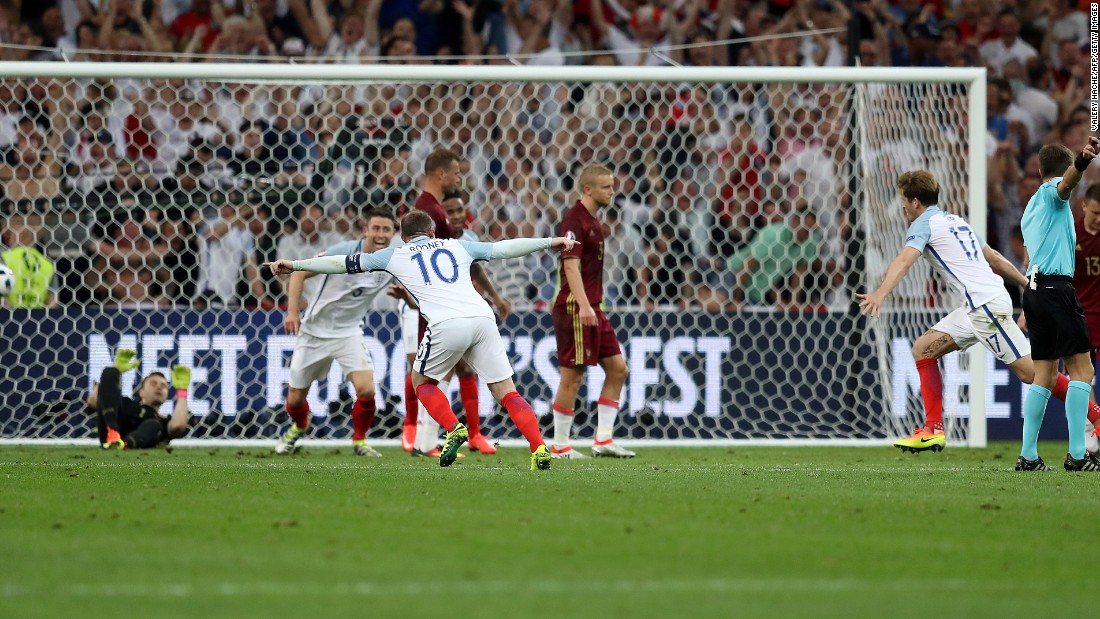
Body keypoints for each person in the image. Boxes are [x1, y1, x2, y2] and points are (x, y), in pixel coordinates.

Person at [266, 211, 572, 470]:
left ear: (402, 235)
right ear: (432, 231)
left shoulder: (394, 256)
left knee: (421, 382)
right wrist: (551, 242)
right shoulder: (457, 246)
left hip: (447, 325)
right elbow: (504, 248)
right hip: (482, 317)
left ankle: (454, 428)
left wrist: (295, 264)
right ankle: (538, 447)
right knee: (506, 391)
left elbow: (339, 264)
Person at [857, 170, 1100, 456]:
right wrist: (1025, 284)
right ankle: (932, 430)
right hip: (976, 307)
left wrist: (880, 293)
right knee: (923, 349)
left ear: (913, 202)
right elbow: (995, 257)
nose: (902, 206)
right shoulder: (956, 222)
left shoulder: (922, 224)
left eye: (903, 201)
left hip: (985, 308)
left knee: (1035, 374)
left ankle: (1096, 417)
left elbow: (904, 260)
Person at [400, 149, 509, 454]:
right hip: (440, 305)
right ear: (441, 174)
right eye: (457, 173)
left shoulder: (432, 208)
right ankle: (424, 440)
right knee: (434, 372)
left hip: (446, 303)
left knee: (450, 370)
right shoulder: (429, 211)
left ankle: (439, 439)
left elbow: (465, 261)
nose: (460, 178)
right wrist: (414, 300)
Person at [274, 208, 399, 457]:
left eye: (386, 229)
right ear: (365, 230)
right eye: (376, 228)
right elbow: (299, 273)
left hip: (348, 333)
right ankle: (299, 426)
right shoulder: (342, 251)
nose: (381, 234)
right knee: (296, 401)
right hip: (314, 332)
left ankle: (359, 441)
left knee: (367, 390)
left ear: (393, 233)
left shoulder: (393, 261)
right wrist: (292, 313)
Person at [1018, 138, 1100, 472]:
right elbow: (1066, 185)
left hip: (1033, 291)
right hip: (1056, 288)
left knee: (1046, 375)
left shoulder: (1029, 209)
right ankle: (1079, 455)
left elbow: (1027, 254)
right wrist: (1082, 161)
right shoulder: (1054, 195)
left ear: (1039, 169)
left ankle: (1028, 455)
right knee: (1084, 370)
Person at [550, 164, 633, 460]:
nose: (612, 191)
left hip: (593, 307)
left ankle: (604, 440)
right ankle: (559, 446)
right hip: (576, 307)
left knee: (618, 369)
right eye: (607, 187)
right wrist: (584, 305)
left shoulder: (594, 221)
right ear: (588, 189)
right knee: (572, 376)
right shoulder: (575, 220)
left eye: (612, 185)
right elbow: (570, 265)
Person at [86, 349, 191, 450]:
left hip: (132, 444)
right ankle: (112, 432)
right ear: (141, 392)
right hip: (109, 434)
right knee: (109, 372)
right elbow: (93, 401)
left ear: (167, 395)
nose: (159, 387)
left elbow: (178, 426)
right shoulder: (126, 404)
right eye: (153, 384)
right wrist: (116, 370)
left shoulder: (162, 421)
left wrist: (182, 391)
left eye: (163, 386)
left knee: (153, 425)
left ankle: (123, 445)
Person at [1071, 184, 1100, 449]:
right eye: (1095, 213)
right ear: (1084, 207)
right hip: (1080, 318)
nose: (1099, 219)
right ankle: (1089, 434)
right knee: (1081, 377)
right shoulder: (1071, 234)